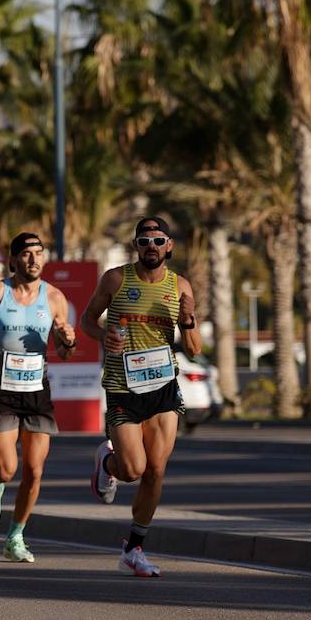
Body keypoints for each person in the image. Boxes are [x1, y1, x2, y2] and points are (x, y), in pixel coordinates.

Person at [80, 217, 202, 577]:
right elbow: (88, 319)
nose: (151, 246)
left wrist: (190, 320)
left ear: (169, 246)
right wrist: (103, 337)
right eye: (144, 240)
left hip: (164, 387)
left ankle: (133, 549)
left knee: (156, 470)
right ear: (136, 246)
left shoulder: (180, 286)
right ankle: (107, 464)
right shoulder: (117, 279)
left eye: (158, 240)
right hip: (123, 386)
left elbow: (194, 350)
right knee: (132, 469)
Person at [0, 232, 77, 564]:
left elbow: (66, 353)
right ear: (13, 260)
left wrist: (68, 340)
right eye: (26, 254)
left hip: (37, 392)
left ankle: (16, 536)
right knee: (7, 467)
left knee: (35, 470)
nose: (34, 259)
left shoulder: (54, 298)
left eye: (39, 253)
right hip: (2, 390)